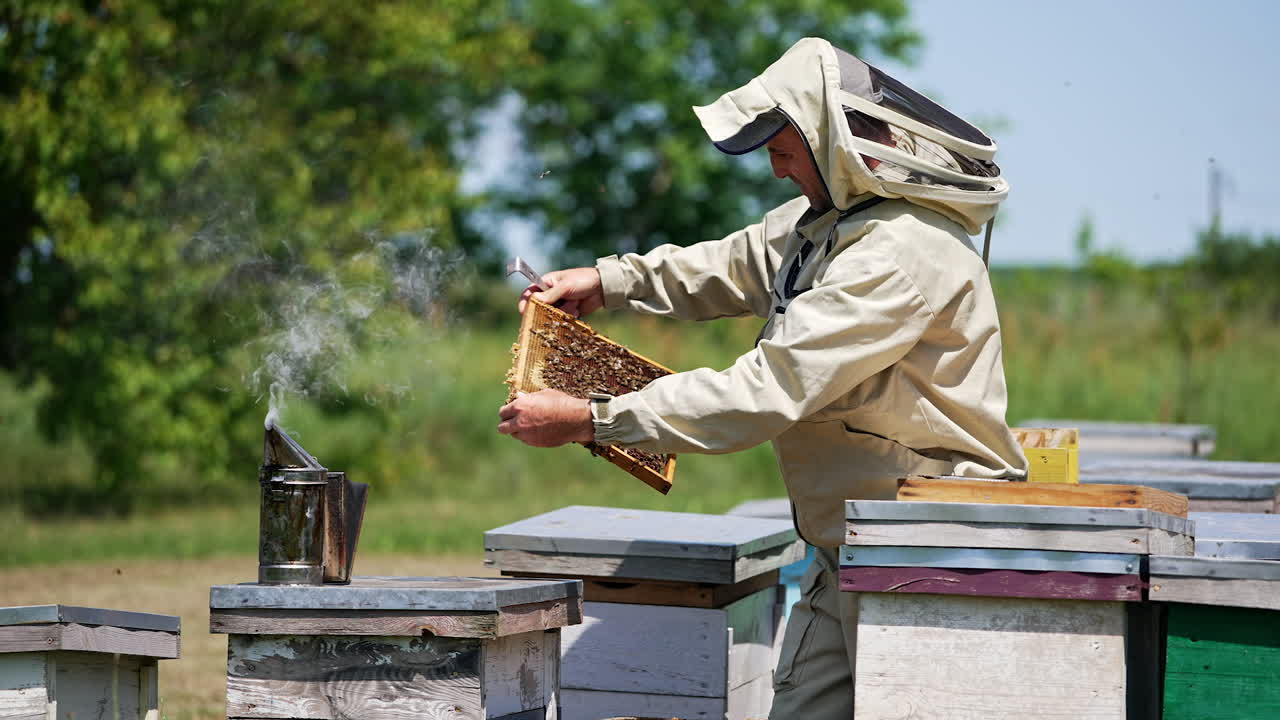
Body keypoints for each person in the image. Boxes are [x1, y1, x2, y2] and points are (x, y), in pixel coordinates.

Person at [497, 37, 1029, 718]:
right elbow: (732, 263)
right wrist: (609, 280)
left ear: (832, 143)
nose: (777, 173)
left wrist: (595, 417)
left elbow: (763, 392)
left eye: (782, 153)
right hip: (852, 554)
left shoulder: (897, 256)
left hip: (929, 560)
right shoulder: (833, 223)